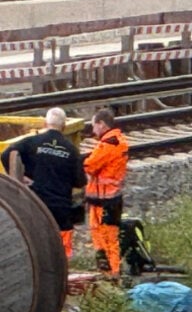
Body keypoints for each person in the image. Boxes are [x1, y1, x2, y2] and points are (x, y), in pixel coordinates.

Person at [0, 108, 86, 258]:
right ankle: (62, 279)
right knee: (61, 256)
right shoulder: (71, 150)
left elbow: (6, 154)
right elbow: (80, 182)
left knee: (38, 250)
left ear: (45, 124)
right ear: (64, 126)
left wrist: (19, 179)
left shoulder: (32, 142)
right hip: (62, 211)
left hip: (37, 206)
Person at [84, 108, 129, 275]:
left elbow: (90, 165)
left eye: (94, 125)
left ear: (101, 124)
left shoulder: (107, 145)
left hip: (102, 200)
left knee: (105, 239)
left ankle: (111, 273)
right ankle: (112, 271)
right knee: (111, 238)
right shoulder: (120, 140)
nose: (93, 130)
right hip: (113, 198)